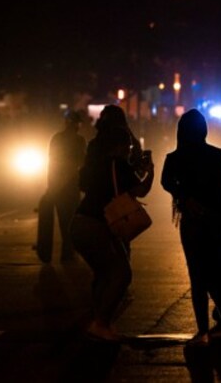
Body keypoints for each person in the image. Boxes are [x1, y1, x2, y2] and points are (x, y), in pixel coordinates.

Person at [161, 109, 221, 346]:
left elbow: (166, 181)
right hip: (218, 222)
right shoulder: (218, 155)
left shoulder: (175, 158)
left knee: (198, 277)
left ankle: (203, 331)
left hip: (193, 224)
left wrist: (184, 197)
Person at [71, 125, 154, 342]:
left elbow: (86, 186)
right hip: (96, 226)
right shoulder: (119, 164)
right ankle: (100, 323)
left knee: (105, 274)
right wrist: (150, 172)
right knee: (121, 273)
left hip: (80, 223)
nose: (128, 150)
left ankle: (101, 322)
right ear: (118, 146)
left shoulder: (94, 164)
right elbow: (140, 191)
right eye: (126, 145)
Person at [47, 110, 87, 262]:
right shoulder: (79, 140)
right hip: (71, 185)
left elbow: (51, 164)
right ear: (76, 124)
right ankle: (68, 249)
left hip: (58, 185)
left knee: (64, 219)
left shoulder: (56, 139)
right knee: (72, 219)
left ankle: (67, 249)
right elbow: (83, 163)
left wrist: (50, 185)